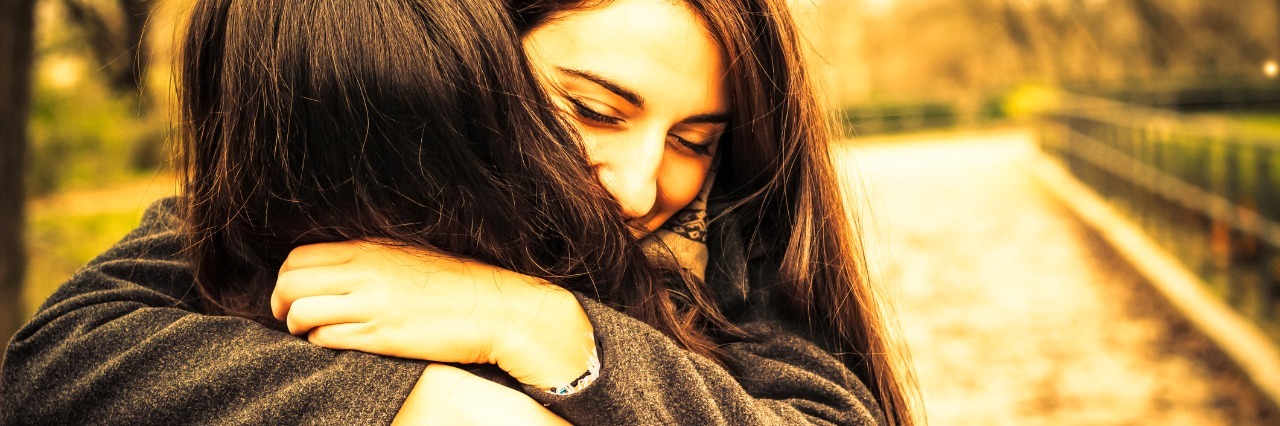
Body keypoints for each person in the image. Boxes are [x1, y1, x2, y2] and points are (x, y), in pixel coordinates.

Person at [1, 0, 919, 425]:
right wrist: (420, 403)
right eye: (596, 109)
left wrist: (549, 332)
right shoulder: (298, 202)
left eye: (696, 140)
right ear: (468, 55)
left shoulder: (713, 270)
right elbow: (57, 365)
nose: (644, 187)